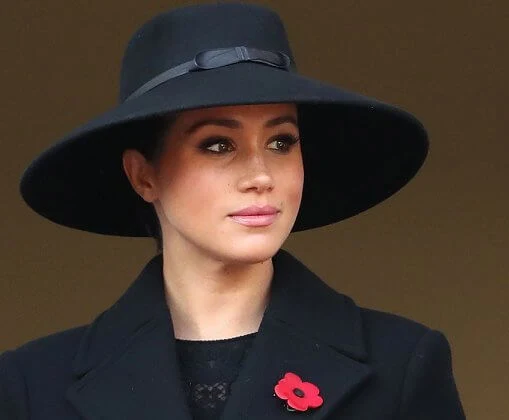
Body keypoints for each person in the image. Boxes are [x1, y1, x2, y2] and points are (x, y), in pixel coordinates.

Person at [1, 3, 465, 419]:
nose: (261, 174)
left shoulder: (401, 365)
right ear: (144, 176)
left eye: (282, 142)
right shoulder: (32, 385)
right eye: (218, 145)